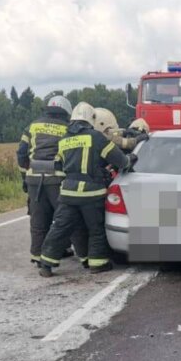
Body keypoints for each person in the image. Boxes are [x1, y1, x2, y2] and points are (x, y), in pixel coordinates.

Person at [38, 102, 128, 277]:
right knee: (96, 229)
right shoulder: (96, 137)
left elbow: (57, 165)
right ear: (91, 118)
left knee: (60, 228)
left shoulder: (64, 140)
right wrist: (130, 159)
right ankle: (98, 263)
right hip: (92, 194)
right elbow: (120, 160)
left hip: (68, 194)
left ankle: (46, 264)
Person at [16, 95, 85, 264]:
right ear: (66, 111)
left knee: (38, 219)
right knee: (67, 217)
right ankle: (84, 256)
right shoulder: (68, 128)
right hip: (57, 180)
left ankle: (38, 256)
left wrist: (24, 177)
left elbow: (21, 153)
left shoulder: (33, 126)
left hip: (34, 179)